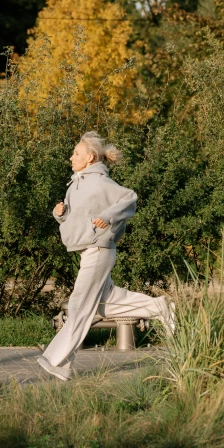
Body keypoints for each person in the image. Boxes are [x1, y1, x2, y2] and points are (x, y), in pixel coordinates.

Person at [37, 131, 175, 381]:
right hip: (88, 250)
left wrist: (109, 217)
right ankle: (159, 307)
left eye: (76, 153)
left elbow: (129, 198)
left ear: (90, 157)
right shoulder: (76, 183)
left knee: (79, 304)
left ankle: (58, 361)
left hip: (100, 250)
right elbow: (76, 218)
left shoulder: (100, 182)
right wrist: (60, 213)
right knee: (104, 304)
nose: (71, 157)